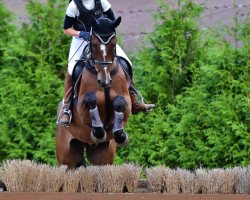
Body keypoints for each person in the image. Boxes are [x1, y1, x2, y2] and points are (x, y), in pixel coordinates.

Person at [57, 0, 155, 127]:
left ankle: (134, 102)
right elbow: (66, 29)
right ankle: (66, 109)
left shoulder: (101, 2)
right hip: (80, 40)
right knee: (71, 69)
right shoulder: (74, 5)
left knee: (127, 62)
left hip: (102, 39)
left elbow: (112, 20)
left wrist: (105, 32)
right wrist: (82, 33)